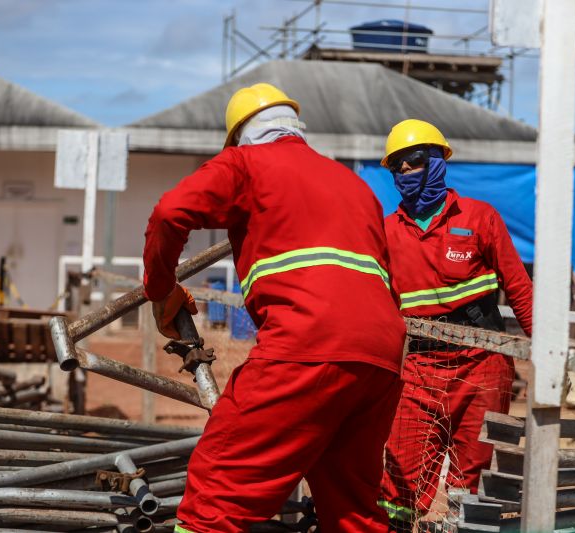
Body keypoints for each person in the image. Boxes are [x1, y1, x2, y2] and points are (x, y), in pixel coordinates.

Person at [143, 83, 407, 533]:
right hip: (380, 358)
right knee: (353, 509)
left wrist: (161, 289)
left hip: (306, 346)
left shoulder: (245, 163)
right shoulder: (355, 185)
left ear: (240, 135)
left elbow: (170, 213)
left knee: (217, 492)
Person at [376, 119, 533, 532]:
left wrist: (551, 358)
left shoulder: (481, 219)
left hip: (483, 365)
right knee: (400, 477)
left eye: (413, 161)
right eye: (397, 167)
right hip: (419, 369)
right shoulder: (387, 232)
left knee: (472, 476)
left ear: (437, 161)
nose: (406, 173)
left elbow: (520, 289)